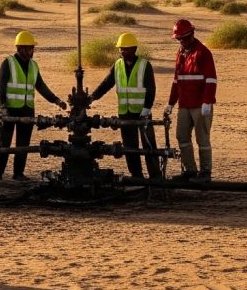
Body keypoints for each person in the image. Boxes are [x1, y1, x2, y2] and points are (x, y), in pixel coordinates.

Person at [87, 32, 160, 180]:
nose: (122, 52)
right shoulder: (117, 65)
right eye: (121, 49)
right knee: (130, 147)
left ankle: (155, 177)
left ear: (134, 49)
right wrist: (92, 97)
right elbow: (107, 84)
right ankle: (137, 176)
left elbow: (151, 88)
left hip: (143, 113)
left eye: (126, 49)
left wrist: (147, 108)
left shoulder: (144, 65)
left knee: (149, 146)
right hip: (125, 113)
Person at [0, 30, 64, 181]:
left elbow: (41, 86)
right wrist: (3, 107)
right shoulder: (8, 63)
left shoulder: (33, 65)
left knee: (23, 144)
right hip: (9, 110)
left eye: (32, 48)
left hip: (27, 110)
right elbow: (1, 87)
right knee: (4, 143)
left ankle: (18, 173)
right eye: (29, 48)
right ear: (20, 49)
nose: (32, 51)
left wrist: (56, 100)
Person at [167, 19, 217, 180]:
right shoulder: (180, 53)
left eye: (183, 38)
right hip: (184, 104)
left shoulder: (203, 52)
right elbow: (177, 81)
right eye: (179, 39)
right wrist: (171, 103)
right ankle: (190, 170)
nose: (181, 41)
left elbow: (211, 79)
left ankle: (205, 172)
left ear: (191, 35)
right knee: (182, 136)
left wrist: (207, 101)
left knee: (202, 139)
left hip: (200, 105)